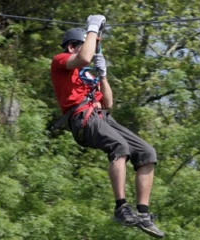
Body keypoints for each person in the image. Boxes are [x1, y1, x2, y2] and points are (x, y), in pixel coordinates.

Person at [50, 15, 164, 238]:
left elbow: (108, 102)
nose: (91, 53)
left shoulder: (86, 74)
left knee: (147, 153)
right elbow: (83, 58)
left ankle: (142, 213)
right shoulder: (61, 61)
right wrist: (92, 28)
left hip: (101, 116)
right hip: (82, 118)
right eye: (86, 45)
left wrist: (102, 75)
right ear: (73, 46)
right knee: (119, 146)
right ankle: (121, 208)